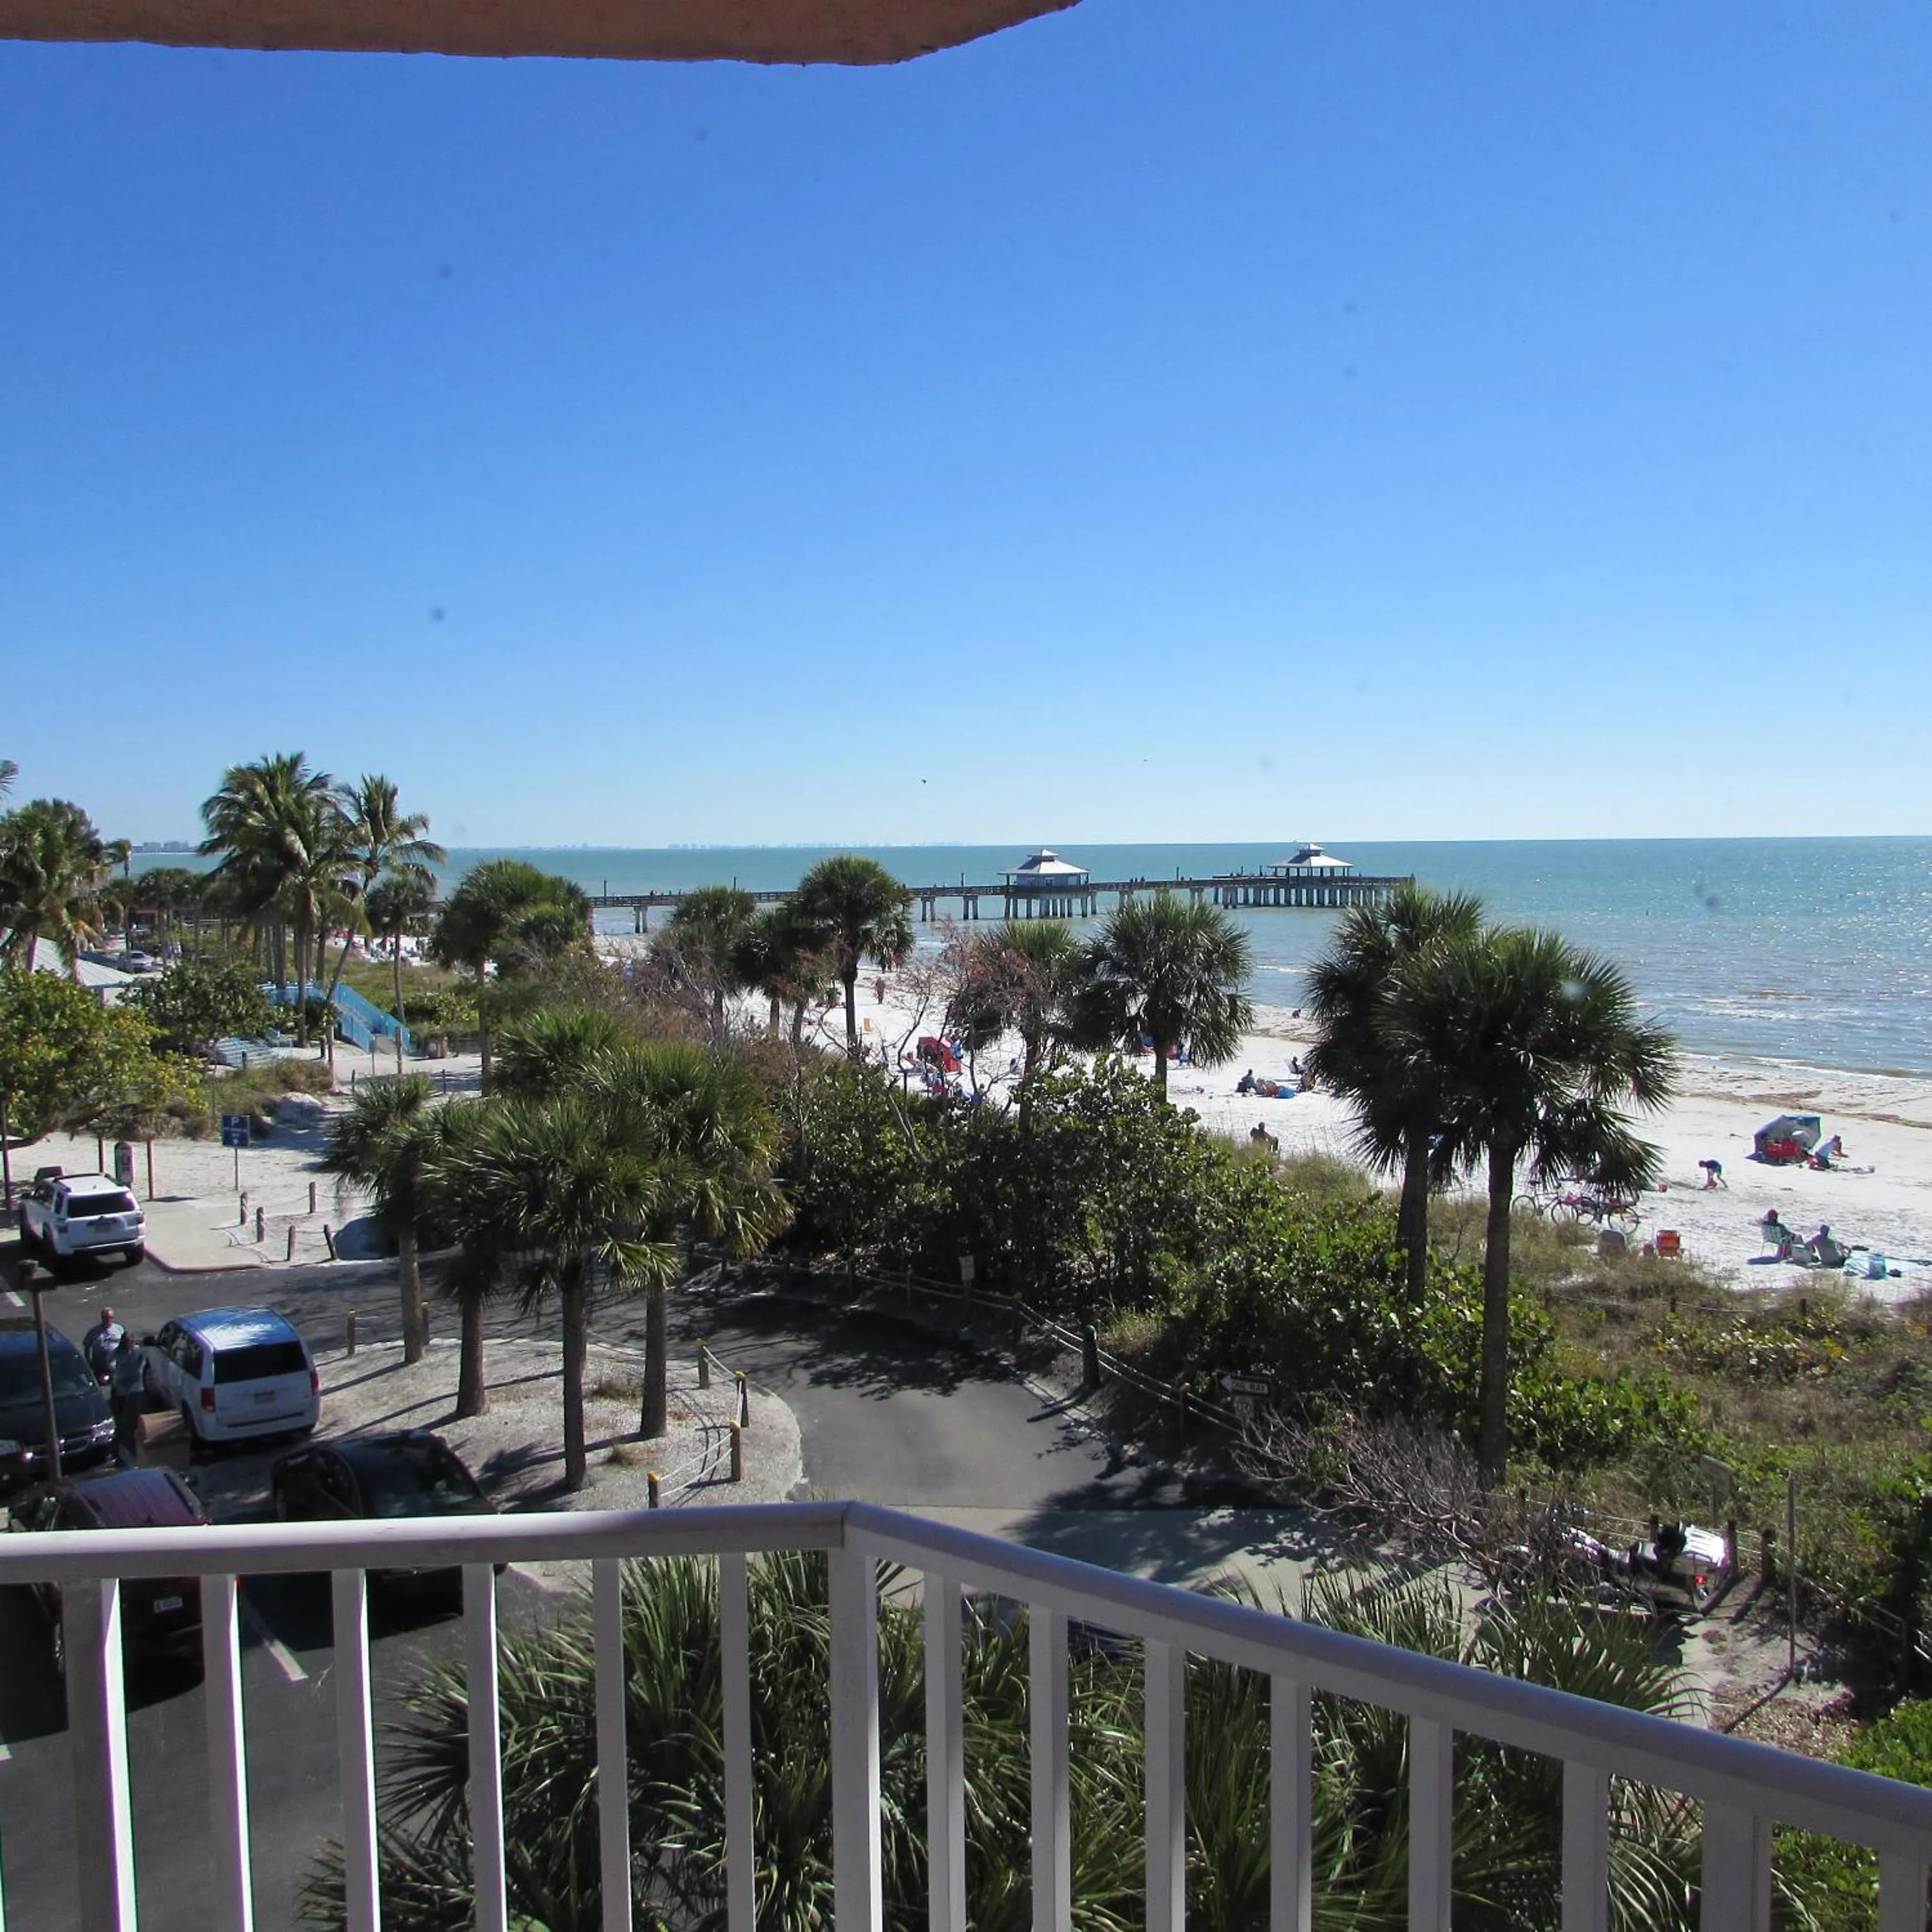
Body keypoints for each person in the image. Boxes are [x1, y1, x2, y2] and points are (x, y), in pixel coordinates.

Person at [108, 1332, 146, 1468]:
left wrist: (139, 1370)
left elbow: (144, 1358)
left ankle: (136, 1433)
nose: (129, 1345)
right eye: (127, 1342)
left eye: (131, 1342)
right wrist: (115, 1374)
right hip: (122, 1388)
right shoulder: (117, 1352)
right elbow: (110, 1363)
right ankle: (120, 1436)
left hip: (135, 1387)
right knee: (121, 1414)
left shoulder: (137, 1351)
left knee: (136, 1413)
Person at [82, 1307, 125, 1384]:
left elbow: (125, 1344)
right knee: (101, 1383)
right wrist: (89, 1361)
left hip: (115, 1364)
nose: (108, 1320)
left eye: (110, 1318)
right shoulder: (94, 1331)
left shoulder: (119, 1329)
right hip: (100, 1365)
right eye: (106, 1318)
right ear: (102, 1318)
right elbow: (87, 1345)